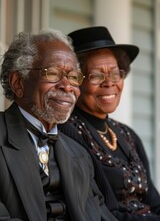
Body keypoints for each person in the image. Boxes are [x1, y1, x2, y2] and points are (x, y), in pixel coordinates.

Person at [0, 29, 118, 221]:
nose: (67, 86)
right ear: (18, 83)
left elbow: (101, 215)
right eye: (53, 73)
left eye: (73, 77)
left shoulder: (79, 154)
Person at [59, 26, 160, 221]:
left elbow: (153, 199)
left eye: (115, 73)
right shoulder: (68, 132)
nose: (109, 83)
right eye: (97, 75)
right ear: (75, 81)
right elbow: (102, 212)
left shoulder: (127, 134)